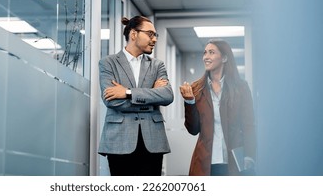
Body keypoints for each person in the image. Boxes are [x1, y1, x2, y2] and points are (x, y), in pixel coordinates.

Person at [98, 16, 174, 176]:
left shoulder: (157, 65)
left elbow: (167, 95)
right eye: (150, 34)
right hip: (119, 140)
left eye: (155, 35)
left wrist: (127, 92)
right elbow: (112, 102)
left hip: (152, 141)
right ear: (133, 34)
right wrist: (152, 98)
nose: (154, 39)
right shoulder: (108, 63)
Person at [179, 39, 256, 176]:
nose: (206, 57)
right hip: (206, 161)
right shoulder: (197, 88)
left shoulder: (241, 87)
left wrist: (249, 155)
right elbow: (193, 129)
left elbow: (248, 125)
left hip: (234, 161)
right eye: (205, 53)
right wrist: (189, 101)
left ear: (225, 58)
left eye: (211, 52)